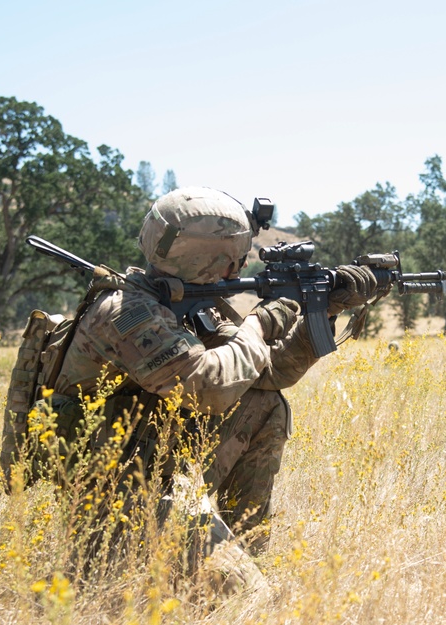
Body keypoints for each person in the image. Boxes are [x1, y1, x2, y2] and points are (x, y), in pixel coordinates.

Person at [48, 186, 378, 585]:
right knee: (251, 604)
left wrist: (324, 310)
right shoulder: (127, 314)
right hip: (118, 497)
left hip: (159, 471)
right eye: (233, 259)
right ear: (205, 258)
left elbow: (265, 372)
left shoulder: (187, 304)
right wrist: (258, 323)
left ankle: (246, 546)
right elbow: (210, 387)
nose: (237, 271)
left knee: (265, 403)